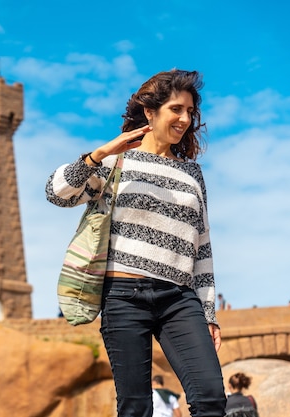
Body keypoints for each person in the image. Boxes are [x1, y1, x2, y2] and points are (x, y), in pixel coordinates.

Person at [46, 69, 226, 416]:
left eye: (190, 112)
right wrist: (99, 154)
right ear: (150, 112)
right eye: (176, 109)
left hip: (179, 298)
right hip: (123, 297)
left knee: (210, 397)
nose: (185, 119)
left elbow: (201, 247)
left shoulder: (192, 174)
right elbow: (56, 193)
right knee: (135, 406)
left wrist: (208, 312)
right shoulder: (117, 161)